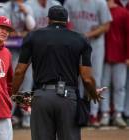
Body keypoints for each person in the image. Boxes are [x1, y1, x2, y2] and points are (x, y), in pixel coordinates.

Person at [12, 5, 104, 140]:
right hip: (68, 98)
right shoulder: (80, 39)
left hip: (41, 96)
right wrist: (93, 93)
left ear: (48, 19)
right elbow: (87, 79)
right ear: (67, 20)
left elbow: (20, 71)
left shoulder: (33, 36)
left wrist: (14, 93)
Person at [64, 0, 112, 127]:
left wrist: (88, 34)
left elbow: (106, 26)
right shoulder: (70, 2)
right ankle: (78, 112)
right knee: (76, 79)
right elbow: (65, 23)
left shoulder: (100, 3)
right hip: (74, 45)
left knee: (94, 78)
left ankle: (93, 113)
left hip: (95, 46)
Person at [3, 0, 35, 128]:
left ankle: (26, 117)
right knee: (10, 84)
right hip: (8, 50)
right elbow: (2, 28)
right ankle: (7, 116)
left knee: (27, 83)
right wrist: (13, 33)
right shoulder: (5, 8)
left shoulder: (27, 7)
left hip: (25, 50)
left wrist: (26, 14)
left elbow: (31, 27)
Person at [99, 0, 129, 128]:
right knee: (104, 87)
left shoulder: (123, 12)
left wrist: (128, 55)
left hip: (120, 54)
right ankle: (105, 113)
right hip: (103, 55)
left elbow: (128, 35)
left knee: (120, 87)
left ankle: (118, 113)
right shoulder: (100, 9)